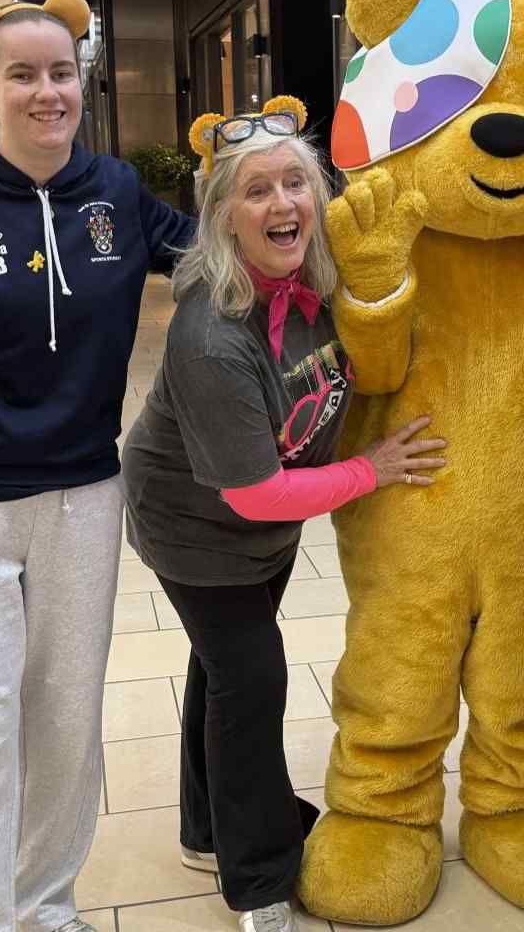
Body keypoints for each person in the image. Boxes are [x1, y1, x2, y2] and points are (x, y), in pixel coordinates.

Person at [0, 0, 194, 932]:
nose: (46, 92)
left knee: (62, 721)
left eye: (62, 73)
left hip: (83, 496)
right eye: (23, 75)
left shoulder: (116, 190)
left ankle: (42, 904)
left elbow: (217, 255)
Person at [121, 102, 446, 932]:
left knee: (221, 672)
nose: (282, 205)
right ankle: (258, 880)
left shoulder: (322, 282)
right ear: (224, 215)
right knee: (253, 682)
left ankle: (208, 829)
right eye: (255, 191)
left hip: (263, 526)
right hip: (197, 527)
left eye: (295, 182)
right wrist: (370, 471)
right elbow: (254, 493)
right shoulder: (211, 336)